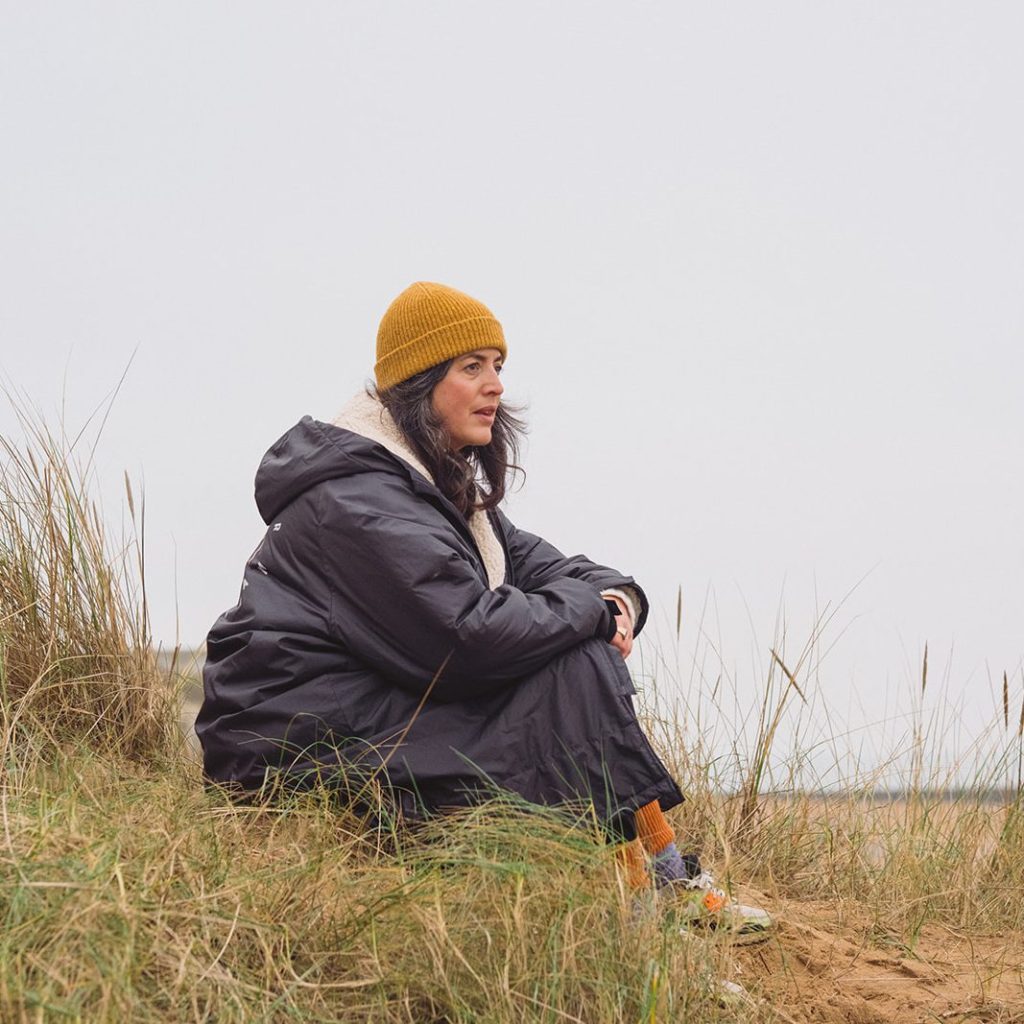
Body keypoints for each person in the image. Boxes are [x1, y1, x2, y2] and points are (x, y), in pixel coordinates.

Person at [196, 281, 772, 942]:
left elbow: (551, 570)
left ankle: (658, 884)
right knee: (576, 666)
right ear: (418, 383)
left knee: (576, 659)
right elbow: (468, 640)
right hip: (296, 746)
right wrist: (587, 617)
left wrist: (617, 601)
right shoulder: (360, 501)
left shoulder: (433, 488)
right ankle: (651, 900)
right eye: (472, 367)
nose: (495, 385)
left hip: (372, 708)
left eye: (498, 366)